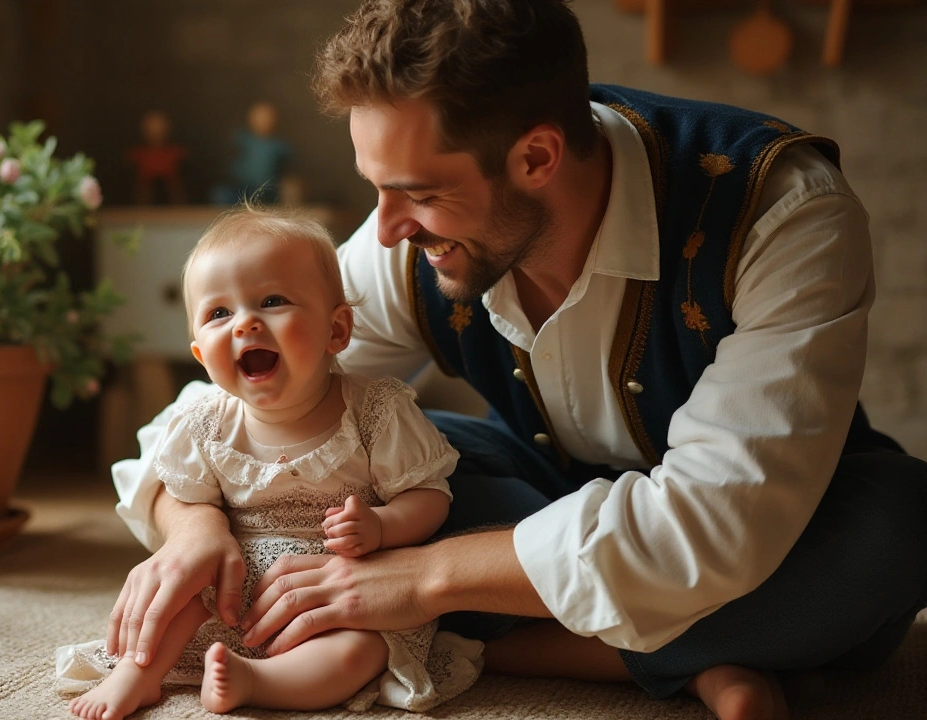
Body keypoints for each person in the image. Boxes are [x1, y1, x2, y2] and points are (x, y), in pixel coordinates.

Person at [109, 2, 927, 719]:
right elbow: (220, 417)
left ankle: (477, 645)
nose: (387, 227)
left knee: (892, 533)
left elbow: (710, 530)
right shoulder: (406, 241)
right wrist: (195, 525)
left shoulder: (783, 214)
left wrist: (423, 582)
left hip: (761, 520)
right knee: (351, 450)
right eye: (377, 188)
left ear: (536, 158)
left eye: (418, 193)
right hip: (531, 496)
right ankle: (703, 657)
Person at [58, 207, 483, 719]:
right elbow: (185, 500)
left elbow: (430, 495)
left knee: (361, 649)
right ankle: (140, 673)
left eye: (272, 301)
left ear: (337, 330)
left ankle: (257, 681)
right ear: (199, 353)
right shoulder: (207, 422)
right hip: (239, 581)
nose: (245, 323)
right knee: (180, 593)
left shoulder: (376, 410)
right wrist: (194, 542)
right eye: (219, 314)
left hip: (342, 581)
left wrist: (382, 524)